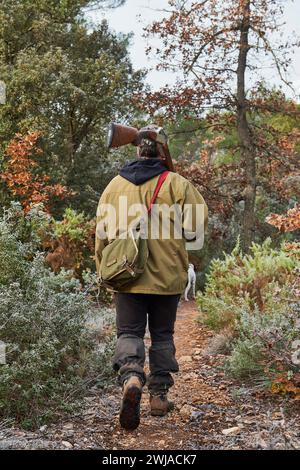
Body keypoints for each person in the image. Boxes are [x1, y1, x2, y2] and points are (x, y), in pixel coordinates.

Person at [95, 128, 208, 430]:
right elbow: (197, 228)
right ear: (161, 153)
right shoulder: (177, 184)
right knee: (162, 335)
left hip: (126, 275)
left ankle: (132, 377)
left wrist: (104, 271)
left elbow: (101, 235)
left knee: (129, 332)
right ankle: (158, 396)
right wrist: (181, 240)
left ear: (136, 151)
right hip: (167, 276)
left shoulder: (113, 187)